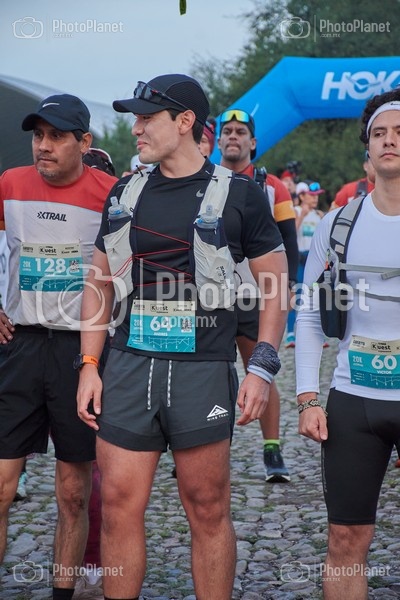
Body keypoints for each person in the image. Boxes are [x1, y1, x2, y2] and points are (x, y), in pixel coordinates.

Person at [76, 73, 288, 600]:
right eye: (135, 119)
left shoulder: (240, 195)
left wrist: (261, 368)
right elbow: (99, 281)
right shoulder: (124, 192)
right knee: (119, 504)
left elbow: (275, 286)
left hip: (203, 371)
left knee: (207, 508)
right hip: (129, 366)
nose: (137, 128)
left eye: (148, 118)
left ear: (185, 121)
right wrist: (88, 366)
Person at [0, 94, 117, 600]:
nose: (43, 146)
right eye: (38, 136)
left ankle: (63, 592)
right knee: (1, 488)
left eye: (56, 136)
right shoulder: (10, 183)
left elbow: (129, 270)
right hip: (20, 346)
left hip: (79, 352)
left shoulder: (111, 194)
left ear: (84, 142)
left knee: (72, 493)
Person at [295, 88, 400, 600]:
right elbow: (310, 313)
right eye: (380, 133)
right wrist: (307, 398)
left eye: (399, 132)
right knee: (345, 539)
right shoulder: (337, 223)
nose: (389, 141)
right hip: (354, 400)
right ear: (368, 149)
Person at [218, 108, 297, 483]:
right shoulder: (205, 180)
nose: (233, 136)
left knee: (260, 369)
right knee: (210, 374)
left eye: (240, 132)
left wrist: (289, 287)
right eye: (227, 131)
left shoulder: (272, 186)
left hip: (254, 296)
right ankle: (200, 446)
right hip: (214, 297)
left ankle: (272, 448)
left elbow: (289, 242)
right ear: (219, 140)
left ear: (253, 142)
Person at [286, 180, 326, 348]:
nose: (315, 198)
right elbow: (290, 234)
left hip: (314, 259)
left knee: (315, 297)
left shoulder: (319, 215)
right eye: (312, 195)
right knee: (296, 296)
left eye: (317, 195)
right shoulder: (295, 211)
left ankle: (318, 334)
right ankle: (290, 334)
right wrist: (301, 215)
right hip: (299, 259)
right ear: (302, 196)